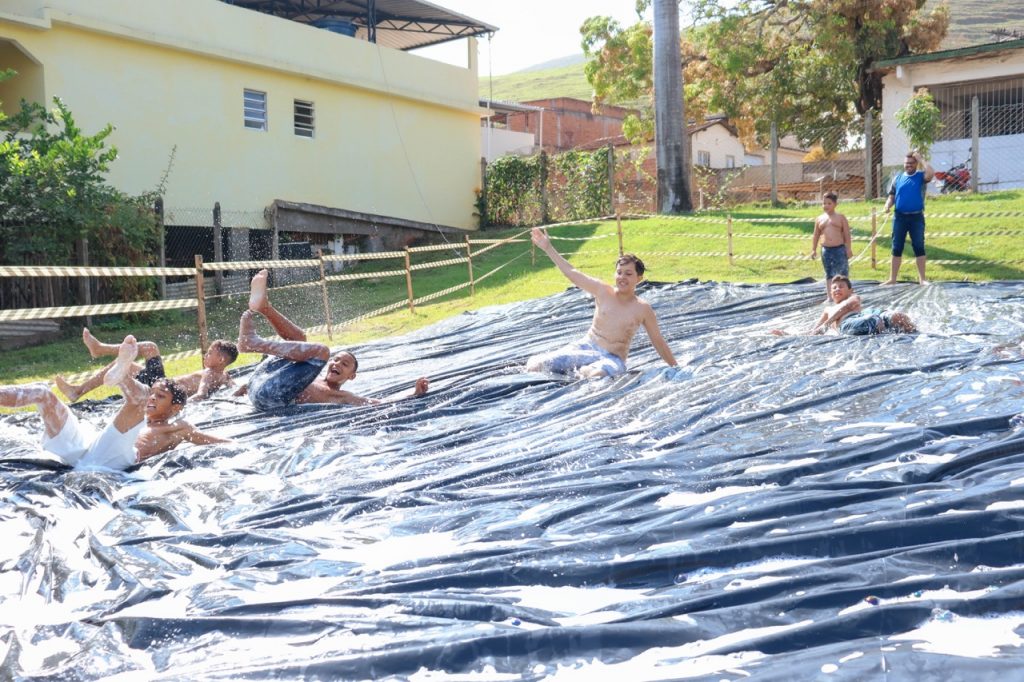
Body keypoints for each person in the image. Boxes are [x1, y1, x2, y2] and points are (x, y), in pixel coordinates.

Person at [0, 336, 230, 470]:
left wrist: (244, 446)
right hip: (88, 448)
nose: (153, 398)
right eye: (154, 394)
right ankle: (121, 374)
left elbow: (218, 442)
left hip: (114, 460)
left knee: (138, 402)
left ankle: (121, 376)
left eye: (159, 397)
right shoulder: (140, 419)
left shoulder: (180, 427)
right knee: (42, 394)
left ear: (176, 408)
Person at [236, 269, 429, 409]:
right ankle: (264, 308)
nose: (336, 363)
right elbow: (247, 386)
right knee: (301, 340)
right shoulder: (309, 375)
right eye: (336, 360)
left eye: (344, 364)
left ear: (351, 376)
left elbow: (376, 403)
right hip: (260, 383)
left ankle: (253, 343)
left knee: (321, 351)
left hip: (269, 398)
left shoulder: (340, 396)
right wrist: (238, 392)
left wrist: (413, 394)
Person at [526, 227, 677, 377]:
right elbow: (572, 273)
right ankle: (580, 368)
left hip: (613, 358)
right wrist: (548, 248)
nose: (622, 277)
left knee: (597, 375)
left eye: (628, 273)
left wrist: (675, 367)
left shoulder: (643, 309)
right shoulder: (603, 291)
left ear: (639, 278)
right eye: (619, 272)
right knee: (535, 366)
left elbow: (658, 341)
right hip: (587, 347)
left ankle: (584, 370)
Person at [55, 329, 238, 402]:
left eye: (210, 353)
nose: (206, 355)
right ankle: (77, 390)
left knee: (149, 348)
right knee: (126, 364)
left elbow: (201, 394)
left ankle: (99, 350)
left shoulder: (209, 373)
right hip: (162, 385)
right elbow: (237, 388)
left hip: (163, 388)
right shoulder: (224, 376)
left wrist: (179, 407)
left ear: (221, 360)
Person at [773, 275, 917, 336]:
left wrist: (828, 323)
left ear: (850, 290)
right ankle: (880, 325)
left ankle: (916, 333)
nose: (837, 289)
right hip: (848, 323)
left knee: (899, 316)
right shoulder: (828, 309)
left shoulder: (854, 298)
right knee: (873, 320)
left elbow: (847, 307)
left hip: (864, 314)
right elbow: (815, 331)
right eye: (834, 288)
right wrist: (789, 335)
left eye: (841, 286)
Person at [883, 150, 934, 285]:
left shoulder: (921, 177)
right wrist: (887, 205)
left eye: (911, 163)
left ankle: (922, 279)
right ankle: (892, 279)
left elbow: (931, 174)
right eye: (906, 163)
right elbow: (892, 196)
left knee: (919, 246)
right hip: (899, 217)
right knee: (896, 247)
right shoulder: (898, 178)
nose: (908, 166)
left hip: (916, 217)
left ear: (916, 164)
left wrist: (921, 159)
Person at [810, 191, 853, 302]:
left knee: (843, 273)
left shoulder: (840, 218)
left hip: (839, 249)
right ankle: (830, 296)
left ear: (835, 204)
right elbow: (816, 235)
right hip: (826, 250)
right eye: (824, 203)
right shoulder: (819, 219)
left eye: (829, 203)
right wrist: (813, 249)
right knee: (829, 273)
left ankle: (847, 294)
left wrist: (848, 249)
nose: (826, 206)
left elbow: (847, 234)